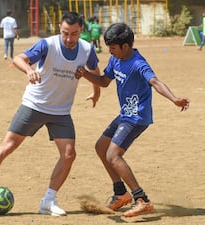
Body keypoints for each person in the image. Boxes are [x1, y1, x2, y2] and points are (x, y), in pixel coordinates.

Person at [0, 11, 101, 216]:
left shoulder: (86, 49)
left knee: (69, 154)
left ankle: (48, 201)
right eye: (65, 33)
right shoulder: (47, 45)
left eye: (74, 34)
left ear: (81, 31)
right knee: (9, 146)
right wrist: (29, 70)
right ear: (60, 28)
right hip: (35, 105)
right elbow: (19, 58)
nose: (69, 38)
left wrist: (95, 92)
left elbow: (95, 71)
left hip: (61, 111)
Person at [75, 23, 190, 217]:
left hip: (137, 117)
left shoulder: (138, 63)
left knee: (113, 155)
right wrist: (86, 74)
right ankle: (120, 193)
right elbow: (104, 81)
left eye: (113, 48)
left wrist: (174, 99)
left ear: (125, 46)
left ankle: (142, 199)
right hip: (125, 114)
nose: (110, 51)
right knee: (101, 147)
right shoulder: (115, 59)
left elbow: (155, 82)